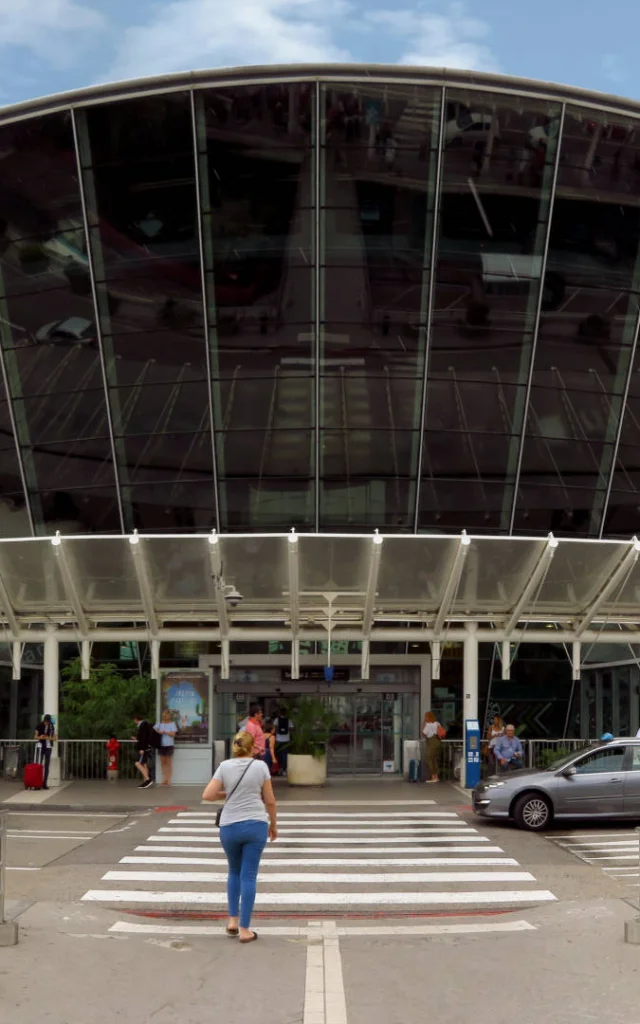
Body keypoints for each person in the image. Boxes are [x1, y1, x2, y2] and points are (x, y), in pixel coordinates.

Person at [202, 730, 277, 943]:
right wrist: (274, 824)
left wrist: (226, 794)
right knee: (249, 875)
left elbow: (207, 795)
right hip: (255, 825)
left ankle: (233, 921)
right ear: (253, 747)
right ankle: (245, 929)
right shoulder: (261, 766)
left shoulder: (224, 766)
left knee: (234, 871)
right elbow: (269, 800)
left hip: (229, 826)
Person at [154, 710, 178, 786]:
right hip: (161, 745)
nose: (167, 717)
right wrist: (159, 732)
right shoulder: (160, 724)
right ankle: (164, 779)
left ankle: (169, 779)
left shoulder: (172, 724)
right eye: (165, 715)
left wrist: (166, 732)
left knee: (168, 763)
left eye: (168, 715)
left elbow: (174, 734)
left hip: (169, 745)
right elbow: (154, 729)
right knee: (163, 763)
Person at [132, 714, 155, 789]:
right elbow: (143, 737)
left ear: (135, 719)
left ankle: (148, 779)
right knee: (144, 764)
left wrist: (142, 748)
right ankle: (146, 781)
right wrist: (137, 739)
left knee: (137, 763)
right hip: (147, 747)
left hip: (144, 748)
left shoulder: (143, 725)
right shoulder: (145, 724)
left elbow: (144, 737)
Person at [34, 714, 56, 790]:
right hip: (41, 746)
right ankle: (37, 783)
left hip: (48, 747)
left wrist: (48, 738)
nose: (47, 723)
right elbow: (35, 737)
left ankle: (45, 783)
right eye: (46, 721)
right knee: (39, 765)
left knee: (47, 766)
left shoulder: (52, 726)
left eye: (48, 722)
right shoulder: (39, 725)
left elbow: (55, 738)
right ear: (44, 720)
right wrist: (41, 737)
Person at [421, 711, 443, 783]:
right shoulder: (437, 723)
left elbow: (423, 733)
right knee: (434, 759)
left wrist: (423, 723)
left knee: (429, 759)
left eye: (426, 716)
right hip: (438, 742)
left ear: (428, 717)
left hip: (431, 743)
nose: (425, 718)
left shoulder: (428, 725)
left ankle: (433, 776)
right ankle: (436, 776)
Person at [274, 707, 293, 776]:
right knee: (285, 755)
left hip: (278, 739)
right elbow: (291, 729)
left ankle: (279, 769)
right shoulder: (289, 720)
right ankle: (284, 770)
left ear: (280, 713)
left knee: (278, 755)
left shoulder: (276, 719)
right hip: (286, 740)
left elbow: (274, 728)